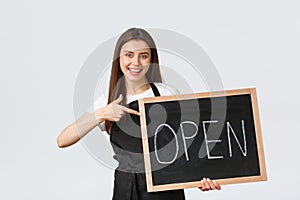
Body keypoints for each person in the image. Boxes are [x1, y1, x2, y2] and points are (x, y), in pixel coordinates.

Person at [57, 27, 221, 200]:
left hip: (165, 191)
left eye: (143, 56)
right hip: (126, 190)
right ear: (118, 58)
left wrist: (200, 179)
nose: (136, 63)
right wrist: (101, 114)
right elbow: (62, 140)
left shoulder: (168, 94)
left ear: (151, 60)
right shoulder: (107, 100)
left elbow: (187, 147)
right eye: (129, 55)